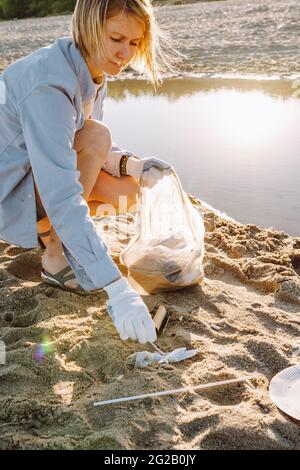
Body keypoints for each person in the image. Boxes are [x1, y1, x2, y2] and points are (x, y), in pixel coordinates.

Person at [0, 0, 174, 345]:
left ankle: (61, 237)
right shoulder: (49, 85)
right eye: (116, 38)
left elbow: (80, 146)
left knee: (129, 191)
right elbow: (63, 191)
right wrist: (116, 288)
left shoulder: (94, 69)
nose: (126, 53)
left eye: (134, 43)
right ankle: (54, 254)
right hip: (7, 192)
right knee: (98, 137)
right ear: (90, 29)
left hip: (36, 174)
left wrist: (134, 165)